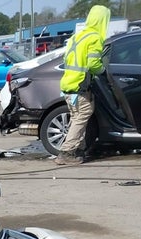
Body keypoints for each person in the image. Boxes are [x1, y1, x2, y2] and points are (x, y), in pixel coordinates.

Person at [55, 5, 111, 165]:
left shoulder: (77, 36)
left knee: (76, 117)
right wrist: (103, 70)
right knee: (82, 116)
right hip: (79, 85)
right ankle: (66, 152)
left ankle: (78, 149)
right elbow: (93, 63)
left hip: (68, 84)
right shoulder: (94, 38)